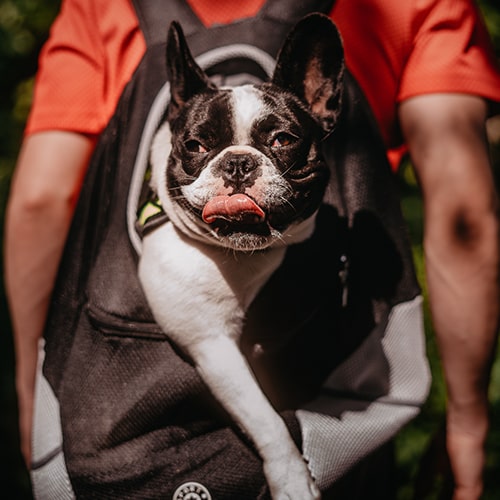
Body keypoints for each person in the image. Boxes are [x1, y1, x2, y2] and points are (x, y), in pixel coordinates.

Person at [4, 0, 500, 498]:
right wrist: (467, 421)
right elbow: (466, 216)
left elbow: (40, 200)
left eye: (280, 139)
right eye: (203, 148)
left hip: (127, 444)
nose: (238, 171)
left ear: (320, 103)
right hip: (329, 422)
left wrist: (31, 379)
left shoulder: (99, 8)